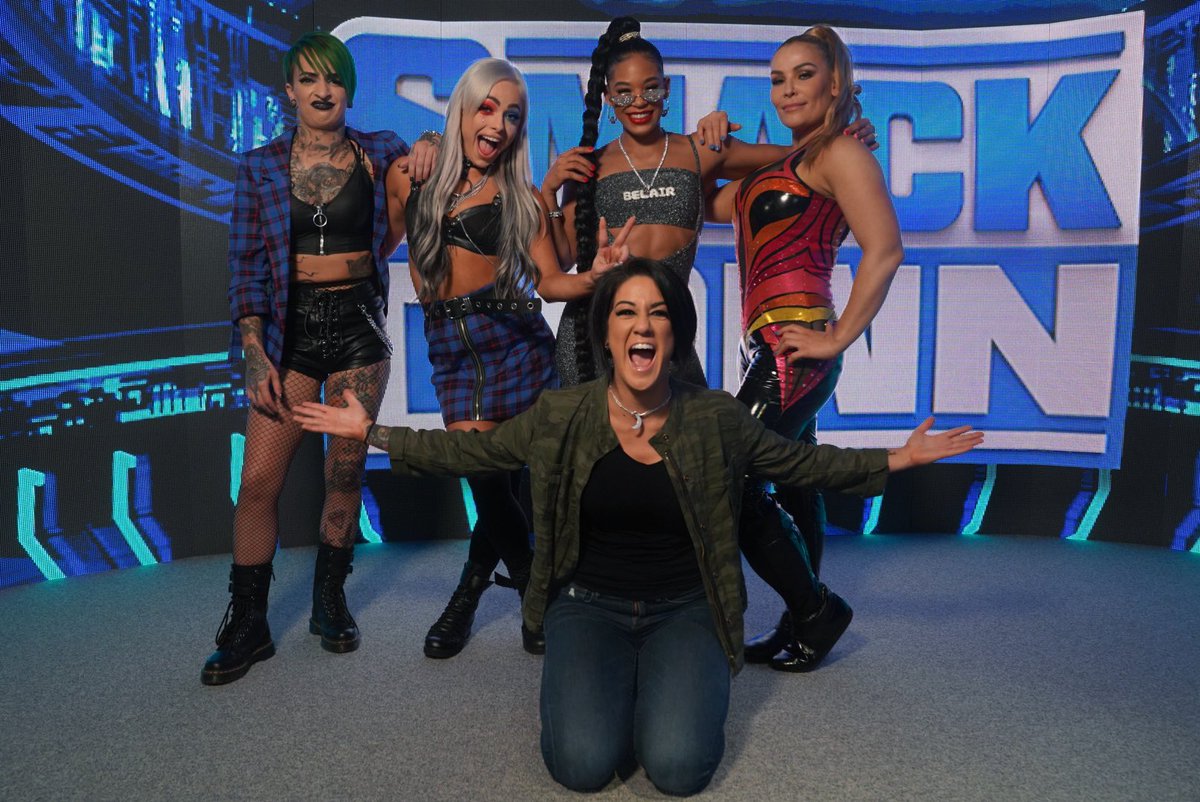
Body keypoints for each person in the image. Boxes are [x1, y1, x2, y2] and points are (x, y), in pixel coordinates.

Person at [293, 258, 983, 795]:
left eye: (658, 314)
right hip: (587, 604)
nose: (642, 326)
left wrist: (899, 458)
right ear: (605, 333)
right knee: (582, 766)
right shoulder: (563, 414)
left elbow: (804, 462)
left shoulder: (714, 417)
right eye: (625, 312)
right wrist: (369, 431)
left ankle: (658, 674)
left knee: (678, 769)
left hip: (687, 606)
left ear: (674, 335)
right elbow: (469, 453)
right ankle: (614, 676)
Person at [203, 32, 437, 686]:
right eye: (308, 79)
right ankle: (248, 621)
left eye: (332, 79)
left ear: (347, 90)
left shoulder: (378, 150)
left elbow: (436, 157)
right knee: (258, 481)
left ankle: (328, 600)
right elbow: (245, 266)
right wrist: (253, 351)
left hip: (359, 327)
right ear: (289, 91)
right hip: (290, 332)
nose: (322, 90)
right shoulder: (259, 167)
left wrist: (431, 142)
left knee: (345, 471)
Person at [385, 57, 632, 659]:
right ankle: (529, 589)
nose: (498, 125)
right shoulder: (408, 174)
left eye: (513, 115)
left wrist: (598, 276)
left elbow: (550, 283)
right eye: (488, 108)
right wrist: (427, 139)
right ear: (464, 108)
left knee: (505, 490)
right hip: (451, 350)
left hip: (515, 341)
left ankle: (479, 594)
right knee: (486, 480)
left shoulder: (521, 196)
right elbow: (375, 242)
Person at [707, 25, 905, 669]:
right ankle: (800, 622)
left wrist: (839, 335)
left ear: (836, 82)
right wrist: (712, 140)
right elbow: (707, 201)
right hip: (767, 346)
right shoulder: (792, 161)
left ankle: (817, 611)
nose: (788, 89)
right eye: (777, 78)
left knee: (731, 479)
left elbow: (886, 249)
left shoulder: (840, 153)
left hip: (795, 349)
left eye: (804, 74)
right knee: (795, 480)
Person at [541, 16, 876, 387]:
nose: (638, 102)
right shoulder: (590, 166)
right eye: (623, 93)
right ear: (607, 97)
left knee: (700, 423)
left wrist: (842, 136)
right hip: (588, 343)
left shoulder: (701, 150)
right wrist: (549, 192)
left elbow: (802, 161)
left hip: (666, 338)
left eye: (650, 89)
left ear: (666, 88)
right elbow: (565, 260)